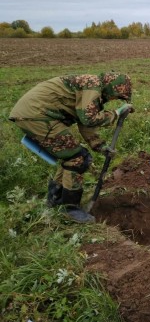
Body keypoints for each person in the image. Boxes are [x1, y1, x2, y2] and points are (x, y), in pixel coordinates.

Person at [9, 73, 134, 223]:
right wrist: (116, 113)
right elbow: (89, 118)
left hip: (34, 114)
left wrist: (99, 146)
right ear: (113, 87)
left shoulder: (92, 88)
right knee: (78, 158)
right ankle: (70, 209)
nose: (114, 99)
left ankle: (55, 201)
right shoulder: (92, 85)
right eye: (117, 96)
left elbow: (85, 123)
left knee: (71, 156)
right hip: (38, 115)